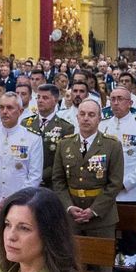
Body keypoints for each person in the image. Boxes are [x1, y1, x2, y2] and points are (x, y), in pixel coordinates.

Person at [50, 97, 123, 239]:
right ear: (77, 117)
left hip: (102, 218)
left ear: (99, 119)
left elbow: (115, 183)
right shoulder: (65, 144)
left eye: (91, 115)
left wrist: (94, 210)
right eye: (82, 114)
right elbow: (58, 180)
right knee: (71, 260)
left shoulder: (112, 145)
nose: (86, 118)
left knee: (100, 260)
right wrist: (69, 207)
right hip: (72, 216)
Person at [100, 87, 136, 270]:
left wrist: (125, 183)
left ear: (130, 103)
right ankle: (106, 262)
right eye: (113, 99)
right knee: (105, 230)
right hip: (105, 189)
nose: (115, 103)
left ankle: (130, 261)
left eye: (120, 99)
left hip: (129, 190)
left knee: (129, 232)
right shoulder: (103, 125)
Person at [0, 92, 44, 219]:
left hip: (20, 207)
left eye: (10, 108)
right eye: (1, 107)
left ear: (20, 111)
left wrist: (15, 201)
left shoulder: (32, 138)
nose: (4, 111)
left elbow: (34, 176)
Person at [21, 83, 75, 179]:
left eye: (45, 98)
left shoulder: (66, 128)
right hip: (25, 178)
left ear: (55, 100)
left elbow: (62, 160)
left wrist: (39, 176)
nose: (40, 100)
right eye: (38, 97)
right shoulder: (25, 123)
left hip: (50, 181)